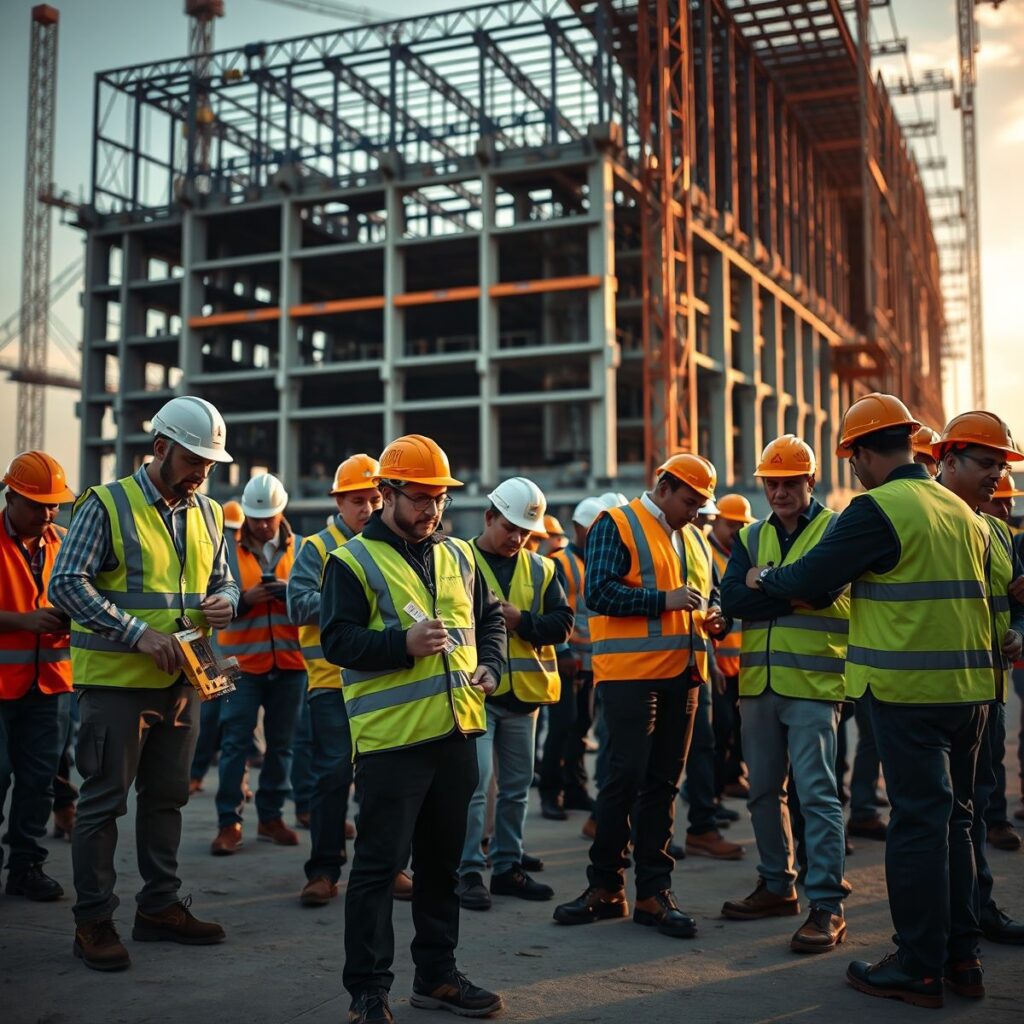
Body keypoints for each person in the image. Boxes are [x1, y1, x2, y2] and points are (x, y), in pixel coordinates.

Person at [746, 393, 1015, 1008]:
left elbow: (813, 579)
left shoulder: (878, 507)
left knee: (918, 826)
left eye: (853, 458)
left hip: (906, 691)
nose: (856, 470)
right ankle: (962, 957)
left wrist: (764, 579)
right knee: (956, 821)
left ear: (863, 453)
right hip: (971, 693)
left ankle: (918, 965)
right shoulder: (965, 512)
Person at [320, 434, 506, 1023]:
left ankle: (437, 976)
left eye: (440, 499)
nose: (432, 510)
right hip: (392, 742)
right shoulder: (351, 560)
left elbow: (492, 617)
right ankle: (368, 990)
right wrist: (400, 644)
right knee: (377, 869)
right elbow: (337, 640)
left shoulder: (459, 555)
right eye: (420, 498)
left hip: (456, 733)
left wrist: (494, 667)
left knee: (442, 866)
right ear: (386, 493)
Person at [50, 395, 238, 971]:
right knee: (104, 802)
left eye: (210, 465)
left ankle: (159, 907)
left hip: (184, 680)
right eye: (193, 462)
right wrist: (135, 633)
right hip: (116, 684)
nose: (202, 474)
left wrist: (225, 603)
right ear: (160, 449)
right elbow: (67, 583)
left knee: (167, 798)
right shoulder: (106, 505)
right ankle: (94, 921)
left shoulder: (207, 512)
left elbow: (224, 580)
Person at [553, 454, 728, 940]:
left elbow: (707, 596)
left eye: (700, 505)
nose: (694, 512)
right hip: (631, 674)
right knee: (623, 779)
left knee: (665, 784)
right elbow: (600, 594)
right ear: (665, 487)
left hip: (685, 674)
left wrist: (716, 618)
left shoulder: (693, 537)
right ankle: (605, 887)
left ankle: (654, 892)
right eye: (689, 502)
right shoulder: (618, 523)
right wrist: (661, 601)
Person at [719, 434, 850, 954]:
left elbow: (823, 591)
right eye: (771, 483)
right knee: (761, 792)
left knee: (816, 795)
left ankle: (827, 905)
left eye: (788, 483)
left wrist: (763, 582)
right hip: (759, 685)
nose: (778, 492)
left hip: (815, 684)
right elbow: (732, 599)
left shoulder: (835, 529)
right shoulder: (750, 536)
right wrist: (786, 591)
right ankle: (777, 884)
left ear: (809, 482)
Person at [457, 477, 572, 910]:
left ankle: (506, 867)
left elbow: (563, 624)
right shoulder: (459, 561)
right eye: (510, 527)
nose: (517, 538)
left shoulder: (542, 569)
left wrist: (522, 619)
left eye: (525, 531)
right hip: (477, 695)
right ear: (489, 517)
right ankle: (468, 870)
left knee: (517, 787)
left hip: (524, 697)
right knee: (476, 785)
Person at [933, 412, 1024, 946]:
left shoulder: (995, 533)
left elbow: (1011, 604)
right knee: (941, 816)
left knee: (974, 810)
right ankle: (946, 929)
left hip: (986, 692)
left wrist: (1017, 631)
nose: (998, 477)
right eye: (987, 463)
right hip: (928, 695)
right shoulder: (923, 521)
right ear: (949, 460)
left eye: (1000, 465)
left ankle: (975, 910)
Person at [286, 453, 392, 907]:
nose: (366, 508)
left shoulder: (391, 545)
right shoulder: (316, 547)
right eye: (357, 500)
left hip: (383, 678)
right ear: (339, 502)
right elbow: (297, 604)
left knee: (381, 778)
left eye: (374, 498)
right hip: (331, 679)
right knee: (332, 773)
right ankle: (324, 870)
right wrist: (350, 601)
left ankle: (386, 869)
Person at [210, 473, 306, 854]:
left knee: (282, 745)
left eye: (269, 517)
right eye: (256, 518)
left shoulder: (302, 550)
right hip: (238, 665)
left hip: (290, 663)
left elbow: (316, 602)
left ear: (282, 511)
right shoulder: (225, 550)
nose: (263, 525)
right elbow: (210, 602)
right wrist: (245, 599)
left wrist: (290, 595)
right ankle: (229, 822)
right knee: (235, 743)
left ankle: (270, 817)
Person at [0, 452, 76, 901]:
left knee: (39, 778)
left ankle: (26, 867)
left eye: (54, 506)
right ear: (11, 497)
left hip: (50, 683)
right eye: (37, 505)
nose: (47, 514)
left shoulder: (64, 543)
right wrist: (22, 621)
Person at [540, 497, 605, 821]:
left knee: (581, 725)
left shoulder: (599, 561)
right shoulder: (560, 564)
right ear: (580, 527)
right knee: (562, 726)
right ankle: (552, 793)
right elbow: (558, 613)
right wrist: (563, 652)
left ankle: (576, 789)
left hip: (593, 659)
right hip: (566, 659)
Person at [189, 499, 244, 794]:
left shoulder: (240, 554)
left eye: (238, 530)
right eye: (231, 530)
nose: (235, 536)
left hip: (236, 656)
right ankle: (195, 773)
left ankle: (240, 780)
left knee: (236, 725)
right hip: (211, 651)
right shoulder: (214, 548)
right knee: (209, 719)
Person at [706, 494, 754, 801]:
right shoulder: (708, 554)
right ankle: (710, 790)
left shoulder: (739, 556)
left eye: (741, 525)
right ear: (717, 521)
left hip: (741, 662)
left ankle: (730, 777)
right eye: (730, 524)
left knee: (738, 727)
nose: (736, 531)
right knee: (718, 729)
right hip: (717, 662)